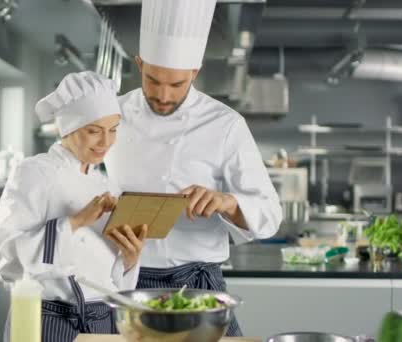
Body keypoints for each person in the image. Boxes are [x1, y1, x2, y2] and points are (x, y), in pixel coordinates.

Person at [104, 0, 283, 336]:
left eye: (177, 84)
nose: (163, 95)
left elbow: (270, 215)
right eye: (153, 80)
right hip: (125, 277)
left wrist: (228, 203)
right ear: (139, 63)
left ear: (195, 73)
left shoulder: (225, 124)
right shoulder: (110, 115)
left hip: (198, 283)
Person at [0, 71, 148, 342]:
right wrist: (75, 222)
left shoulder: (106, 185)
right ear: (68, 128)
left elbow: (108, 276)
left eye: (113, 130)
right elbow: (8, 259)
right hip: (47, 321)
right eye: (94, 131)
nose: (106, 142)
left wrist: (129, 259)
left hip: (104, 321)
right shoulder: (33, 173)